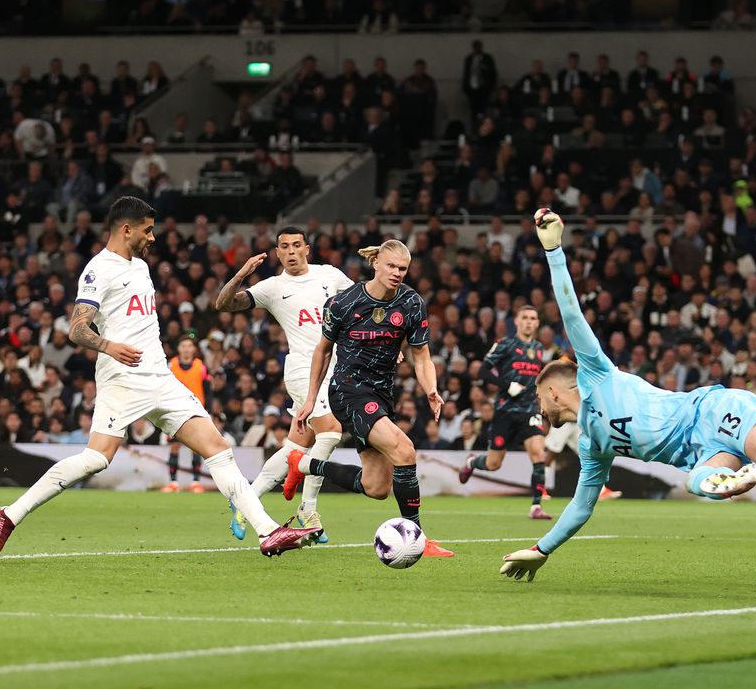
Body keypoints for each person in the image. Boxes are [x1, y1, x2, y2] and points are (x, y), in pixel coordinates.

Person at [499, 210, 756, 582]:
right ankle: (727, 479)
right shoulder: (593, 444)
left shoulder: (597, 373)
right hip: (702, 453)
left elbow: (572, 316)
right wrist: (540, 549)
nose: (539, 406)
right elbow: (581, 506)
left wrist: (554, 252)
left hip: (709, 409)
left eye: (539, 396)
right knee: (694, 482)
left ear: (552, 390)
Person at [0, 196, 315, 559]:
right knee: (97, 459)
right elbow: (77, 329)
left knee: (218, 449)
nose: (153, 238)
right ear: (126, 229)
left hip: (160, 376)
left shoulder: (140, 267)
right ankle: (9, 514)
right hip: (123, 378)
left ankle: (267, 531)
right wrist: (109, 346)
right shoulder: (99, 269)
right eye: (148, 230)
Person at [281, 239, 453, 558]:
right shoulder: (343, 303)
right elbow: (322, 351)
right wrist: (309, 399)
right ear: (376, 263)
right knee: (404, 450)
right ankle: (417, 537)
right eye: (391, 266)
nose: (397, 273)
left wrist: (431, 387)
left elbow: (422, 356)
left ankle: (304, 464)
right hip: (347, 391)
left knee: (376, 488)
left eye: (403, 268)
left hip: (381, 396)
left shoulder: (412, 303)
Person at [214, 226, 354, 543]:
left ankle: (245, 501)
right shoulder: (273, 287)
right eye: (284, 247)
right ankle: (308, 508)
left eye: (295, 245)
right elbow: (223, 304)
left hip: (335, 368)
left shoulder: (329, 275)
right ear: (277, 253)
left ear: (307, 248)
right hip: (303, 370)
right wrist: (241, 274)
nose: (290, 251)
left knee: (296, 446)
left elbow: (360, 304)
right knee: (330, 432)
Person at [458, 305, 553, 519]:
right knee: (493, 464)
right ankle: (472, 462)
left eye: (533, 318)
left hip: (530, 410)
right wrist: (506, 385)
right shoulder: (505, 344)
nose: (529, 321)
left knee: (539, 454)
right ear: (517, 321)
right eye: (525, 317)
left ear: (537, 323)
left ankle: (536, 506)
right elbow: (483, 371)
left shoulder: (539, 348)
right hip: (505, 411)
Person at [165, 334, 210, 493]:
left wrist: (209, 411)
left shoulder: (200, 366)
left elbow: (207, 390)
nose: (186, 349)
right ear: (178, 348)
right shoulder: (171, 365)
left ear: (194, 349)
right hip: (175, 410)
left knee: (196, 448)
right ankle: (173, 482)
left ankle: (195, 482)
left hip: (196, 411)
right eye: (183, 346)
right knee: (174, 447)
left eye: (189, 346)